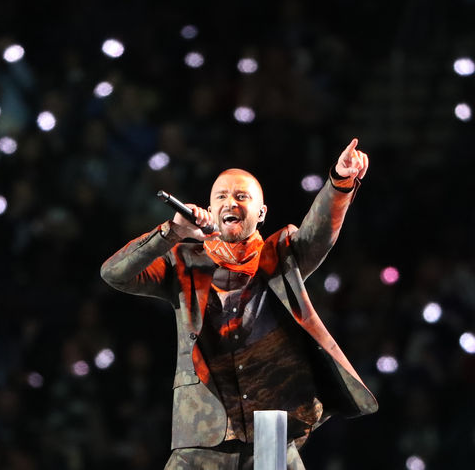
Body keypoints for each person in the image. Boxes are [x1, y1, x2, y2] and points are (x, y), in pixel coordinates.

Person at [100, 138, 377, 469]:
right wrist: (172, 232)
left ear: (261, 213)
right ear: (210, 209)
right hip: (201, 433)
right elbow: (114, 274)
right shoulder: (183, 263)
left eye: (241, 196)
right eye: (221, 197)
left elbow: (319, 233)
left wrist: (339, 182)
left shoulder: (282, 253)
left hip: (271, 433)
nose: (230, 202)